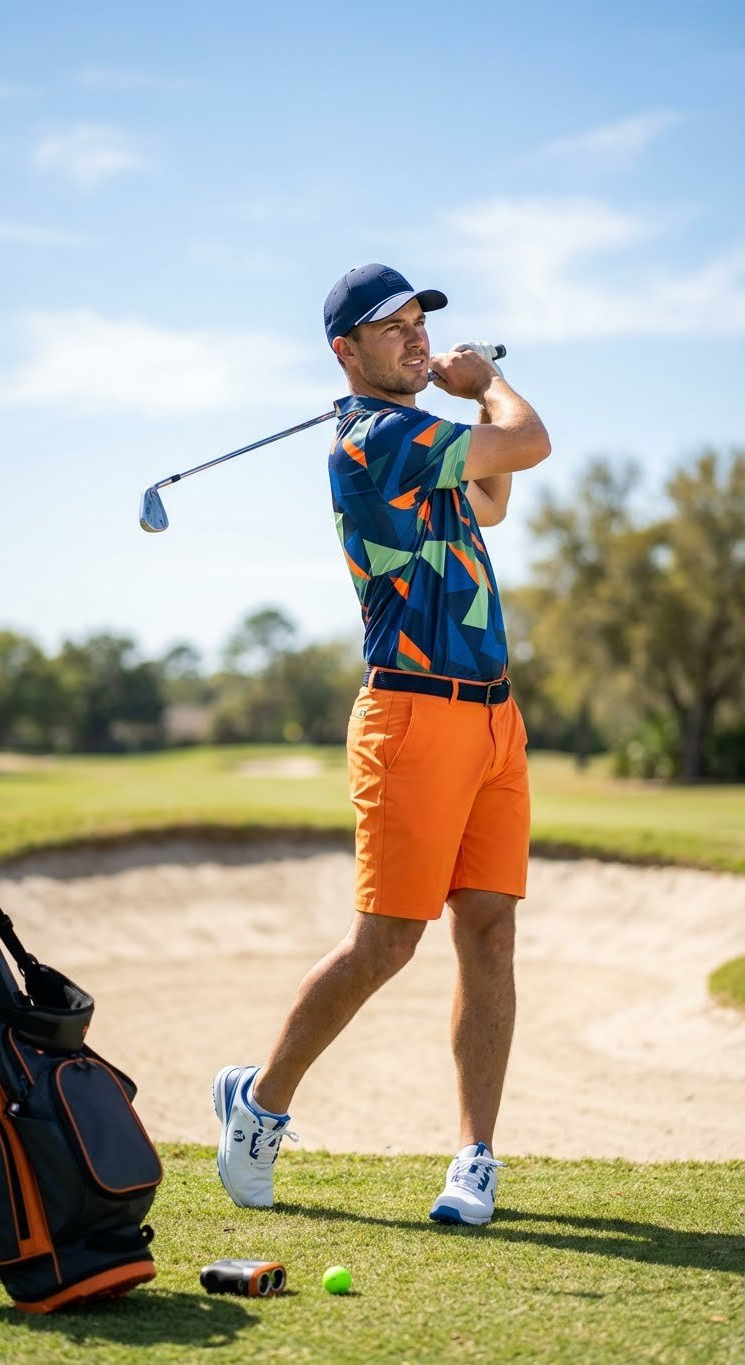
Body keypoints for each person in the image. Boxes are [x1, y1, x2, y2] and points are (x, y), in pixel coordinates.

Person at [213, 263, 550, 1225]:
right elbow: (529, 440)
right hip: (412, 714)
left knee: (489, 930)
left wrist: (471, 410)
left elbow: (492, 495)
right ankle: (259, 1101)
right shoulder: (374, 436)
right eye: (387, 327)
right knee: (388, 940)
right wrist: (481, 381)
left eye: (417, 322)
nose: (410, 336)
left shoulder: (420, 444)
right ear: (344, 353)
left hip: (493, 716)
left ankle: (474, 1158)